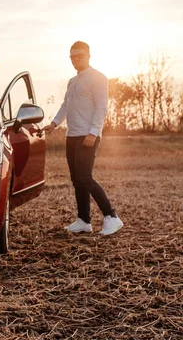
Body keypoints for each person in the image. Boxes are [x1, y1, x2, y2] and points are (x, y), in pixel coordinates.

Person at [42, 41, 124, 236]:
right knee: (76, 180)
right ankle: (83, 220)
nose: (75, 59)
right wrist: (53, 124)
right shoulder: (72, 81)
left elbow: (101, 107)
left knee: (85, 177)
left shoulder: (98, 78)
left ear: (88, 56)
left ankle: (111, 217)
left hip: (88, 136)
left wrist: (93, 132)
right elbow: (65, 106)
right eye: (72, 57)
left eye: (79, 56)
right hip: (72, 136)